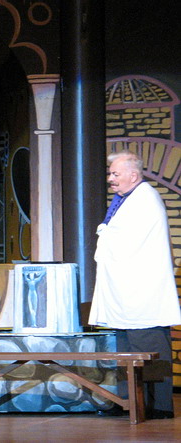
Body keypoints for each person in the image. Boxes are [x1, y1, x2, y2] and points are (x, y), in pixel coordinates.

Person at [89, 150, 181, 419]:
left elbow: (124, 238)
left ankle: (157, 406)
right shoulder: (128, 199)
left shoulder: (145, 199)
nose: (110, 179)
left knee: (149, 349)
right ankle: (130, 403)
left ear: (133, 174)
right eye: (110, 174)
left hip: (143, 295)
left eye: (115, 174)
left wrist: (105, 232)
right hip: (127, 294)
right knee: (127, 350)